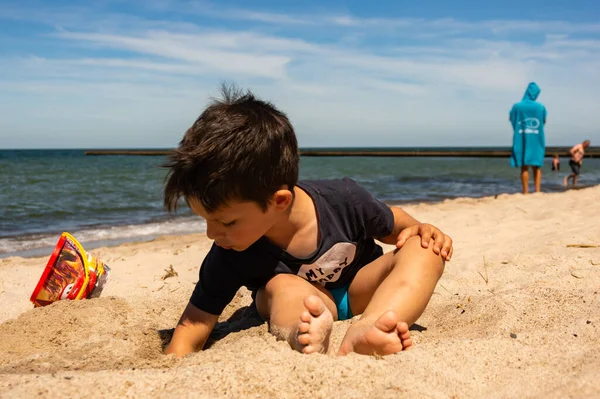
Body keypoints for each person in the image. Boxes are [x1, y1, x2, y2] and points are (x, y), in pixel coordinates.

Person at [162, 85, 453, 358]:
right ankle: (304, 337)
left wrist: (420, 229)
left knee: (425, 249)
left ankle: (370, 326)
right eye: (205, 220)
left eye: (226, 222)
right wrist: (173, 361)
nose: (213, 234)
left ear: (279, 201)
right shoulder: (229, 254)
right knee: (281, 285)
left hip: (363, 291)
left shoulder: (344, 199)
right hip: (296, 301)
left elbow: (396, 224)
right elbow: (194, 323)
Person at [509, 82, 547, 194]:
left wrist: (520, 129)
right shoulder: (540, 107)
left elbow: (512, 119)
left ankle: (525, 192)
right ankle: (538, 191)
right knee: (537, 166)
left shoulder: (517, 106)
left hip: (521, 138)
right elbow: (543, 122)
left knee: (524, 166)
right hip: (537, 138)